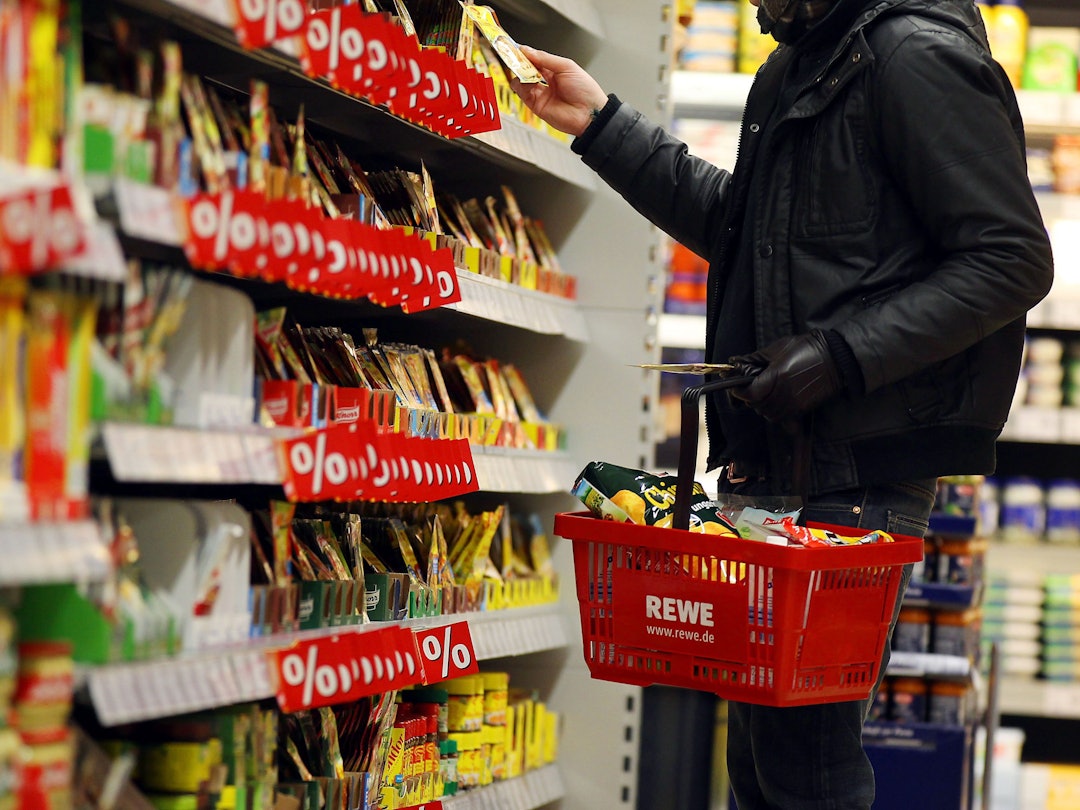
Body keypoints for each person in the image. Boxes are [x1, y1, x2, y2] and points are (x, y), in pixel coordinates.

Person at [511, 0, 1054, 807]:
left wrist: (839, 354)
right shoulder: (794, 66)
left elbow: (1011, 259)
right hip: (775, 453)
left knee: (810, 771)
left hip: (855, 468)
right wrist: (600, 123)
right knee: (762, 769)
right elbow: (745, 233)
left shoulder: (912, 56)